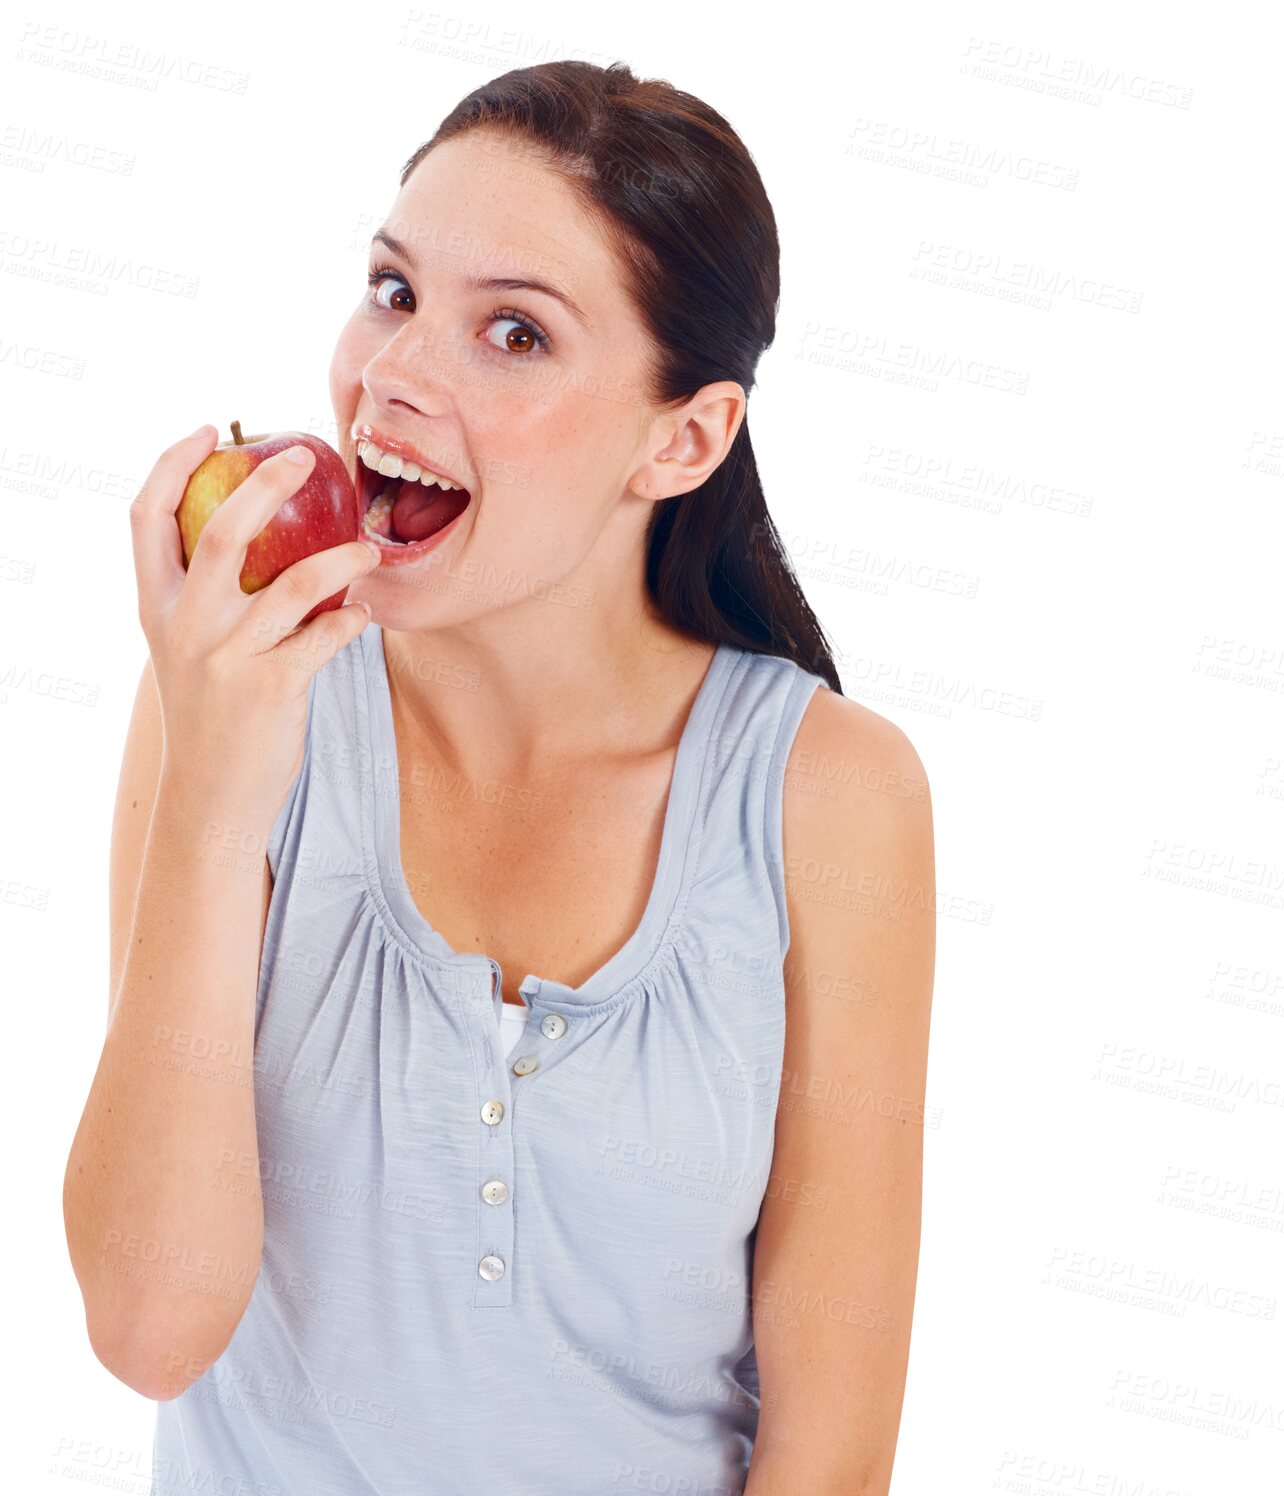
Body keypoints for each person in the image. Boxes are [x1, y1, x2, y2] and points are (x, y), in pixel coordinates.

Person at [64, 59, 934, 1495]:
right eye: (394, 292)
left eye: (515, 334)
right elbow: (151, 1330)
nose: (394, 373)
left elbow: (829, 1449)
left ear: (684, 438)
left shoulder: (830, 797)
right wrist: (219, 787)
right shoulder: (231, 712)